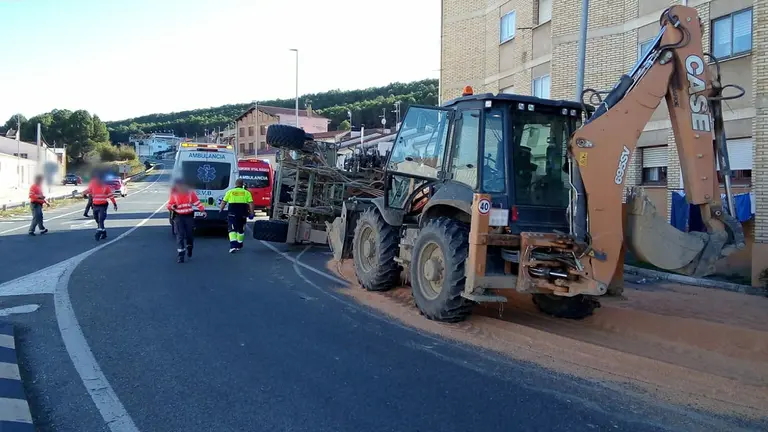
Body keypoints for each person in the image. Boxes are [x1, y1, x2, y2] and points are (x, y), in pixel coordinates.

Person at [168, 180, 206, 263]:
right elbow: (169, 205)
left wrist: (202, 211)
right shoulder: (174, 194)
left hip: (188, 216)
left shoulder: (190, 193)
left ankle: (189, 247)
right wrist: (172, 207)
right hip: (178, 217)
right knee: (180, 236)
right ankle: (181, 256)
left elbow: (197, 202)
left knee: (189, 235)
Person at [219, 178, 255, 253]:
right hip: (243, 214)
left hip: (232, 213)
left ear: (235, 184)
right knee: (241, 229)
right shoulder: (247, 193)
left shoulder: (230, 192)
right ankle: (239, 244)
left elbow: (224, 202)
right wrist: (252, 213)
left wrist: (221, 210)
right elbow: (251, 204)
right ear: (242, 185)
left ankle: (233, 245)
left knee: (232, 229)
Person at [82, 175, 117, 241]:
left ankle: (99, 231)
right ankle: (103, 232)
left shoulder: (106, 187)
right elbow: (87, 190)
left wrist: (114, 204)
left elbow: (111, 196)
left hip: (103, 205)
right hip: (95, 205)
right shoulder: (93, 186)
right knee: (96, 219)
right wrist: (84, 194)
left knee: (101, 219)